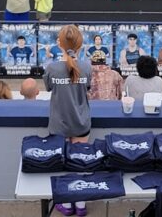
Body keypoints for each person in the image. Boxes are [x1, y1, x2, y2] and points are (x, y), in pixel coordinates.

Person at [44, 25, 92, 217]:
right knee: (79, 165)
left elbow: (48, 87)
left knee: (63, 165)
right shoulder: (87, 66)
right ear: (80, 45)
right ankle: (80, 206)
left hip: (60, 124)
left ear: (60, 44)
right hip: (81, 123)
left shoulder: (52, 68)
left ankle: (65, 203)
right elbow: (85, 88)